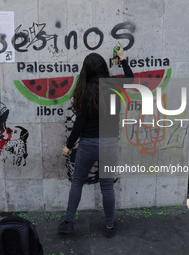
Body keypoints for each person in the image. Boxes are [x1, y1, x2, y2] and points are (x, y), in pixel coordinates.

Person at [58, 43, 133, 238]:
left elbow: (79, 124)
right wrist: (122, 58)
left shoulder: (83, 91)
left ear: (86, 70)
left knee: (77, 183)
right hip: (109, 143)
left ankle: (68, 223)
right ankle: (109, 226)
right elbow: (131, 79)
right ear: (103, 68)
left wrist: (68, 146)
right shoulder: (113, 85)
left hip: (88, 143)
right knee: (107, 186)